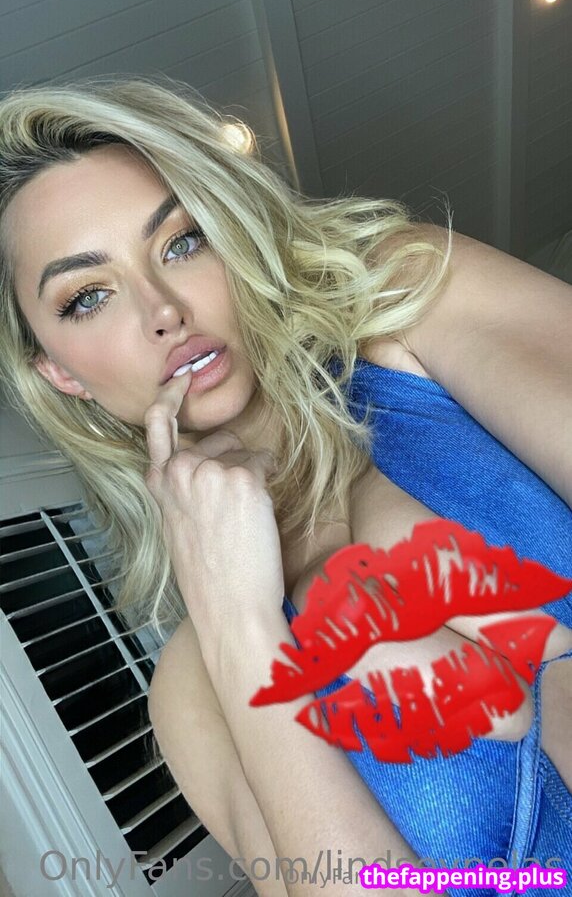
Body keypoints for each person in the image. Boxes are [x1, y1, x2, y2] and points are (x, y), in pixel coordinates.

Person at [0, 74, 570, 897]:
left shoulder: (406, 300)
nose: (163, 309)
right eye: (88, 297)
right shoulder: (194, 689)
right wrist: (240, 628)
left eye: (184, 242)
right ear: (59, 373)